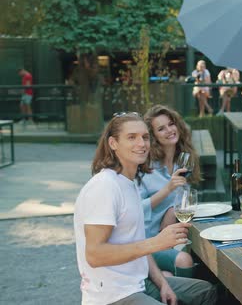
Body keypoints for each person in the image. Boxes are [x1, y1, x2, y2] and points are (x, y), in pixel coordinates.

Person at [73, 112, 216, 305]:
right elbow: (95, 255)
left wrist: (162, 283)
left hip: (139, 283)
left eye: (145, 137)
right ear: (113, 143)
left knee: (205, 292)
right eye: (132, 137)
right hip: (113, 294)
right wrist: (156, 243)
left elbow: (138, 244)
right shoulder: (104, 187)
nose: (142, 144)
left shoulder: (129, 183)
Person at [140, 105, 201, 278]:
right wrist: (168, 189)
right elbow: (136, 208)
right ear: (153, 137)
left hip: (172, 237)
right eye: (161, 128)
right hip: (148, 241)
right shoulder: (145, 167)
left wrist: (172, 210)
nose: (169, 130)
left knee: (170, 275)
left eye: (171, 124)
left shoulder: (181, 162)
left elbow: (185, 200)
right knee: (184, 260)